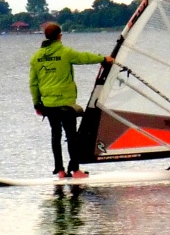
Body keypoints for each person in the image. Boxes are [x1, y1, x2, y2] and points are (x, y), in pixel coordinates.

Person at [29, 23, 114, 178]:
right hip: (66, 104)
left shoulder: (36, 57)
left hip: (48, 104)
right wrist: (103, 59)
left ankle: (60, 171)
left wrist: (36, 104)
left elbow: (33, 83)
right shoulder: (65, 52)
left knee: (56, 135)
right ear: (59, 36)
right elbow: (84, 58)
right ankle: (75, 170)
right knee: (71, 136)